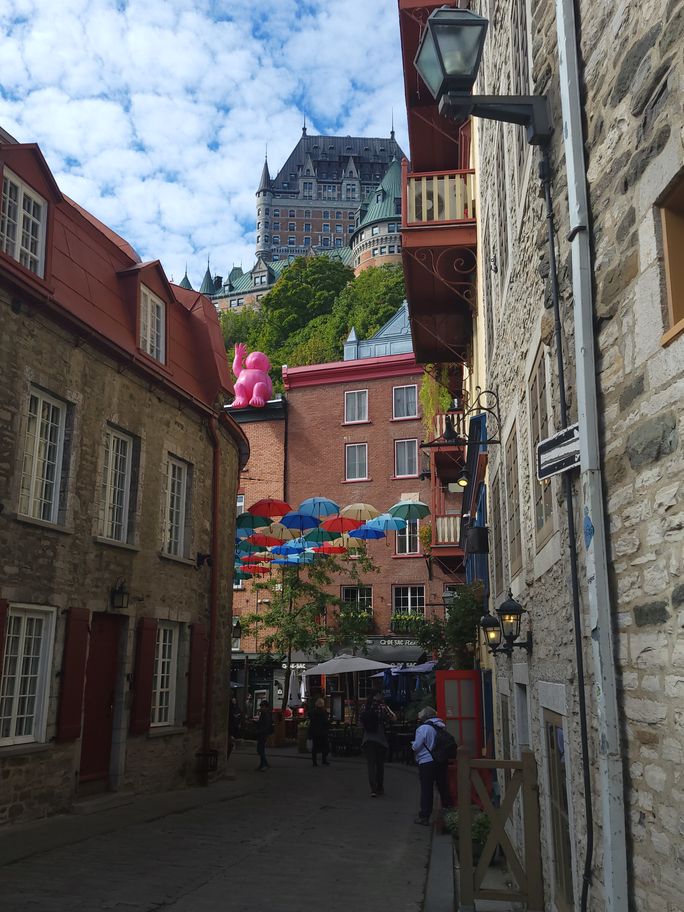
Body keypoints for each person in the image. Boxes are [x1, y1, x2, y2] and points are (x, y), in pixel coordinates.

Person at [411, 706, 453, 826]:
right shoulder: (441, 725)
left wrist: (413, 745)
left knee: (427, 789)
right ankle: (449, 811)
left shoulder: (423, 728)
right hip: (440, 760)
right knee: (443, 786)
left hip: (426, 761)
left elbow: (416, 746)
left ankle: (424, 816)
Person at [360, 692, 396, 797]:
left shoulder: (364, 706)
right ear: (379, 696)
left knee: (371, 765)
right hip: (380, 739)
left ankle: (373, 789)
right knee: (380, 765)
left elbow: (360, 722)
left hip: (367, 739)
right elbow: (393, 718)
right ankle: (380, 787)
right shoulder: (383, 707)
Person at [308, 697, 330, 767]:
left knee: (315, 747)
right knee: (324, 747)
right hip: (323, 732)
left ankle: (314, 762)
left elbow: (311, 722)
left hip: (315, 732)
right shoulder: (324, 713)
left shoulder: (312, 712)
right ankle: (324, 760)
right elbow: (326, 722)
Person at [255, 699, 273, 771]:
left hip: (263, 734)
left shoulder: (266, 714)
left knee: (260, 750)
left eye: (262, 706)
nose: (261, 708)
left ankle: (265, 764)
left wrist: (260, 731)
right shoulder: (264, 714)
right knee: (260, 750)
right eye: (261, 706)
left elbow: (266, 725)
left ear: (266, 707)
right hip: (261, 733)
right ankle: (262, 764)